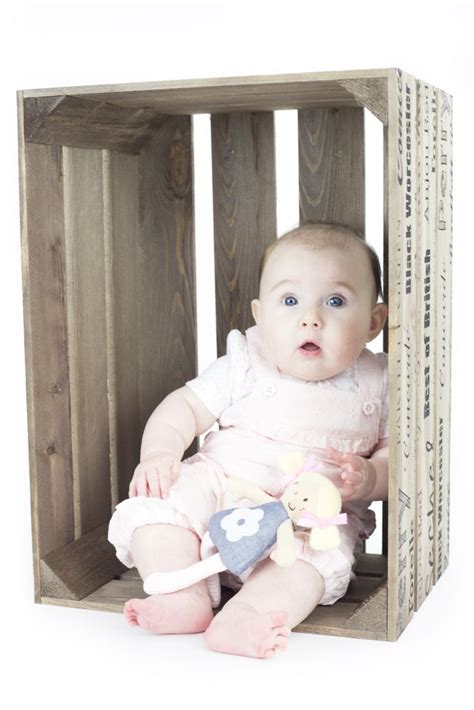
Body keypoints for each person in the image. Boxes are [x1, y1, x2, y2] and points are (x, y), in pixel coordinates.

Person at [107, 222, 389, 659]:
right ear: (260, 315)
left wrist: (372, 477)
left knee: (311, 565)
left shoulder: (381, 384)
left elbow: (399, 464)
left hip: (304, 522)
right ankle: (182, 593)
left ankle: (249, 615)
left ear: (374, 321)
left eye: (335, 301)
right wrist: (161, 454)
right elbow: (184, 407)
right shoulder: (245, 362)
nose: (310, 317)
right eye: (290, 300)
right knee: (160, 511)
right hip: (220, 486)